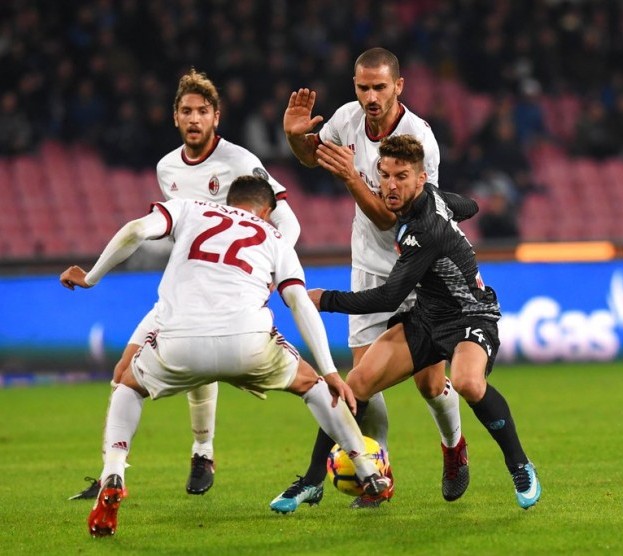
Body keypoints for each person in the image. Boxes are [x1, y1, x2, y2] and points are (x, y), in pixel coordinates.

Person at [60, 176, 391, 537]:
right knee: (313, 386)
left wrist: (91, 277)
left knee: (126, 383)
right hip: (247, 342)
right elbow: (297, 302)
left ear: (229, 200)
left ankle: (114, 473)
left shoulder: (189, 207)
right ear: (267, 211)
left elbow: (137, 230)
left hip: (180, 340)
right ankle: (369, 473)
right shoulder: (275, 237)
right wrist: (329, 372)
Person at [70, 68, 301, 500]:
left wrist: (270, 267)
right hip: (185, 287)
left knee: (188, 366)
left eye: (203, 111)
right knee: (124, 373)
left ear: (217, 116)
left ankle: (201, 452)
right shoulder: (167, 168)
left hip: (231, 291)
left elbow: (286, 220)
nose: (194, 119)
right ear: (175, 117)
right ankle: (113, 474)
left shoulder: (240, 161)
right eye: (186, 111)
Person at [272, 47, 468, 511]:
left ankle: (454, 446)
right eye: (363, 87)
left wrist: (352, 180)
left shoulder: (419, 139)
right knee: (362, 384)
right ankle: (376, 474)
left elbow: (391, 219)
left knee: (428, 385)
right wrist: (297, 137)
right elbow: (310, 158)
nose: (371, 97)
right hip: (367, 269)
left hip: (419, 275)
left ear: (399, 86)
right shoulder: (346, 119)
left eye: (380, 87)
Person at [307, 135, 541, 509]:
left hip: (469, 315)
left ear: (420, 179)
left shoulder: (423, 230)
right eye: (385, 175)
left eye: (401, 176)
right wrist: (451, 217)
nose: (391, 185)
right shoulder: (430, 197)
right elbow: (472, 205)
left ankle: (520, 465)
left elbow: (387, 298)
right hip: (427, 317)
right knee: (359, 382)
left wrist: (324, 299)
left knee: (466, 381)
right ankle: (311, 480)